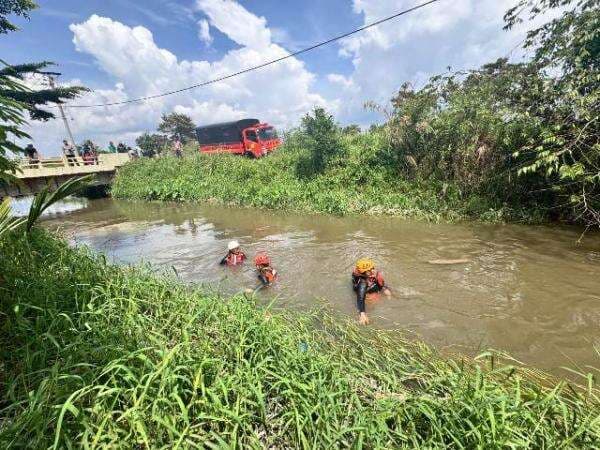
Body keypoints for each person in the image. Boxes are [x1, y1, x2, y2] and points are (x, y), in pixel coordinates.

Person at [352, 258, 391, 325]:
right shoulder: (362, 283)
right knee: (372, 303)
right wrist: (362, 313)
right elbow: (360, 298)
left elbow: (381, 282)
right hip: (368, 293)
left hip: (374, 288)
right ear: (363, 272)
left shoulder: (372, 273)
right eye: (369, 270)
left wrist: (385, 289)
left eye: (372, 268)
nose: (372, 270)